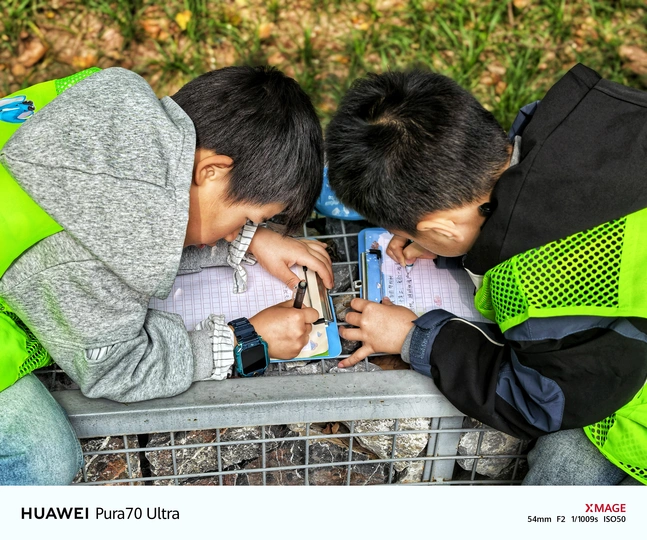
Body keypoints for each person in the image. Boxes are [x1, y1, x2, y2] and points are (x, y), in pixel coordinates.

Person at [0, 65, 332, 484]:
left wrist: (248, 239)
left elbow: (146, 211)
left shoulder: (116, 101)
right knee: (43, 457)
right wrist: (245, 338)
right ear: (210, 170)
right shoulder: (81, 261)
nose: (243, 228)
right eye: (249, 218)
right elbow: (119, 368)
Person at [324, 64, 647, 485]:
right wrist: (455, 245)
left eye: (409, 232)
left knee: (558, 487)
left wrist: (415, 338)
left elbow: (544, 400)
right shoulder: (575, 120)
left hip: (629, 402)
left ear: (443, 228)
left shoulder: (538, 279)